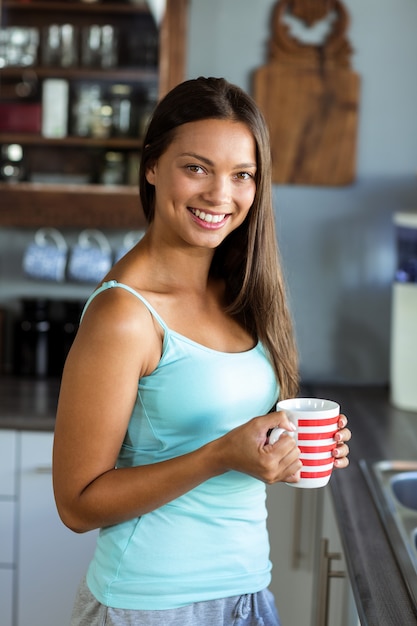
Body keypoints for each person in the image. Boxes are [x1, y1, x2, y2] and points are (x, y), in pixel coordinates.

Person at [53, 76, 351, 626]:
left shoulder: (238, 293)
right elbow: (76, 504)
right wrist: (221, 455)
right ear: (151, 166)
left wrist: (283, 447)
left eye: (243, 175)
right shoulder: (123, 315)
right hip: (148, 606)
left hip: (248, 597)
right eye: (196, 167)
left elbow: (230, 427)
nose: (221, 195)